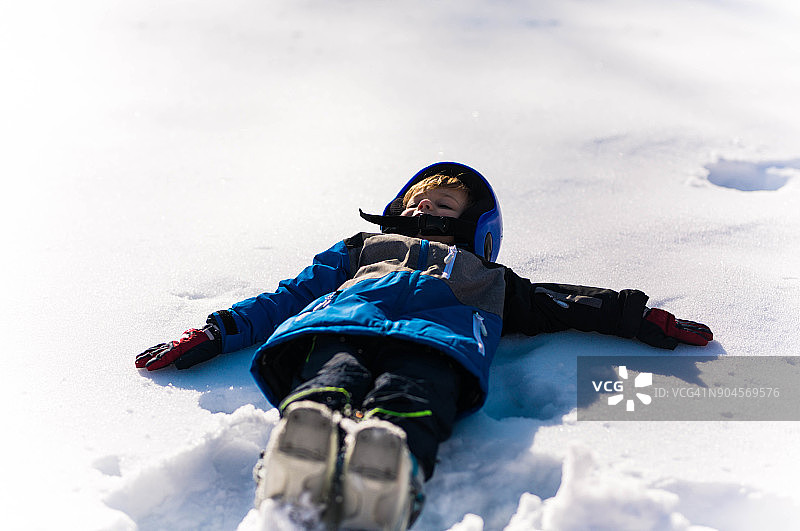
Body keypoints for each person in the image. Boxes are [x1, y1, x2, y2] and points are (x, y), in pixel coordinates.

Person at [135, 162, 712, 530]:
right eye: (415, 202)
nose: (423, 210)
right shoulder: (362, 249)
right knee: (327, 382)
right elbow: (288, 296)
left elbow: (568, 303)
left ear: (474, 225)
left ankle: (391, 463)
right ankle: (303, 440)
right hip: (340, 330)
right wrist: (215, 331)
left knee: (414, 393)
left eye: (442, 206)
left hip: (437, 346)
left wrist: (642, 319)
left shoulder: (490, 279)